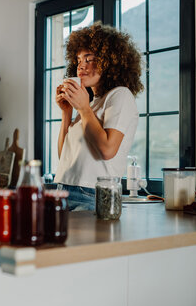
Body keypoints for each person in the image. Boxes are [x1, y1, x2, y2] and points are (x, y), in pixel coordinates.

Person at [54, 22, 143, 211]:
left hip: (91, 195)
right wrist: (67, 113)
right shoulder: (90, 103)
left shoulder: (120, 95)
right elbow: (64, 158)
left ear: (110, 61)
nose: (81, 66)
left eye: (89, 59)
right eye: (78, 60)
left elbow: (108, 150)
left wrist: (84, 109)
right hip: (64, 190)